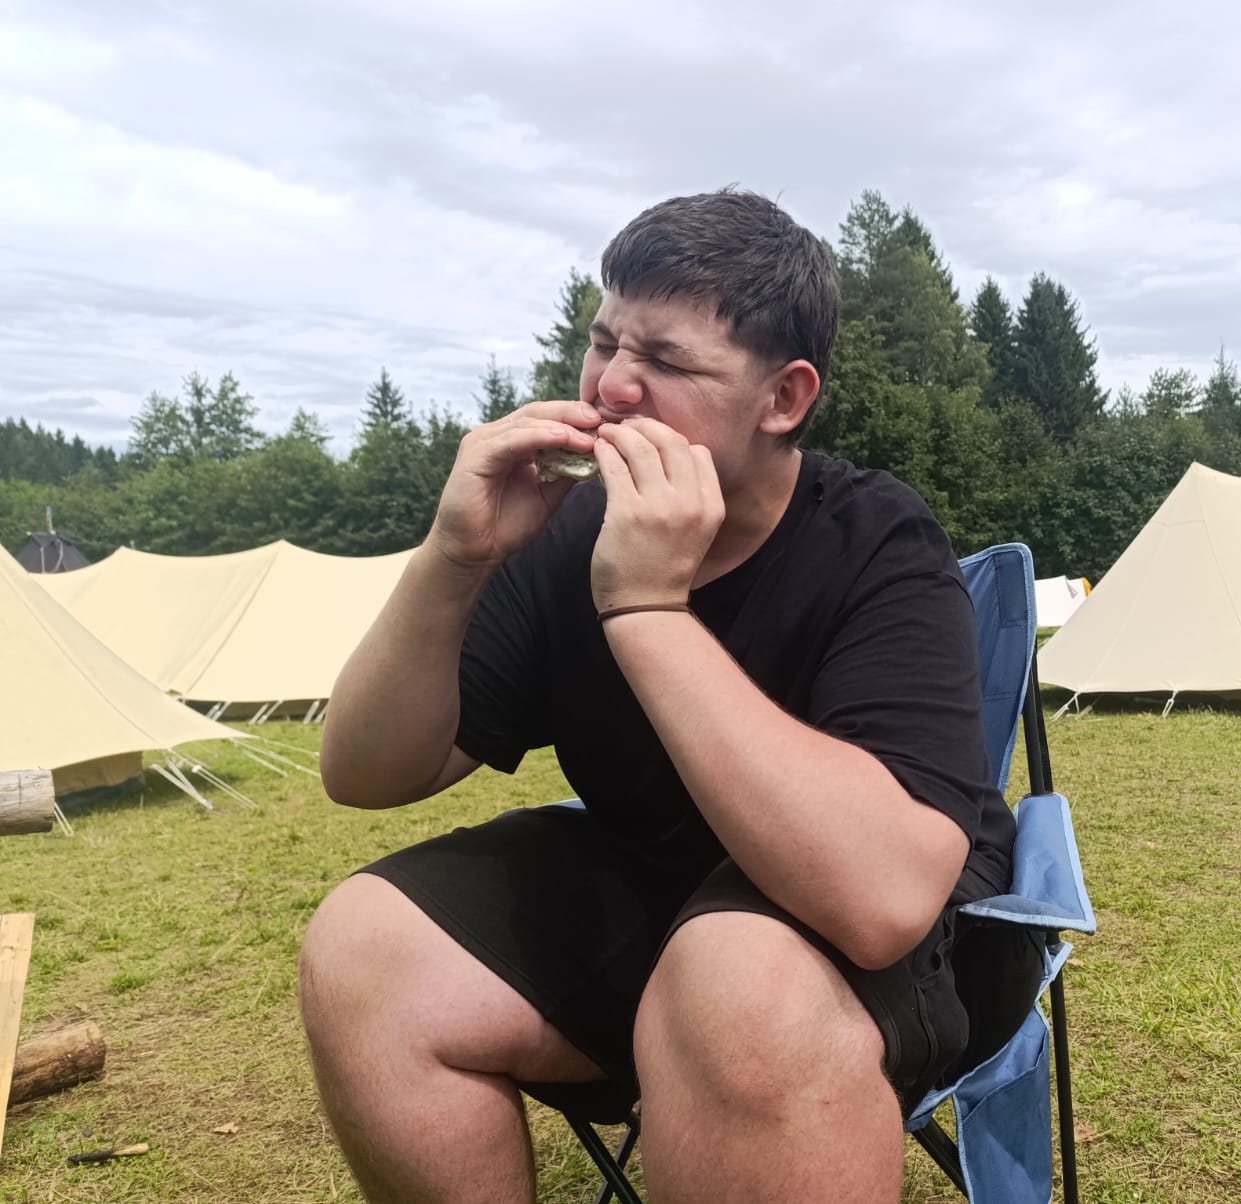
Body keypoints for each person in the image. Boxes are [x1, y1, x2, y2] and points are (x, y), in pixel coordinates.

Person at [299, 189, 1042, 1204]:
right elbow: (366, 772)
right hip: (655, 902)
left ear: (782, 398)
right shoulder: (564, 535)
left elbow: (880, 903)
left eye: (664, 360)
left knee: (739, 982)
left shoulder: (877, 543)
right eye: (603, 341)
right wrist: (453, 558)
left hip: (910, 941)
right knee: (366, 946)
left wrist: (647, 607)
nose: (611, 384)